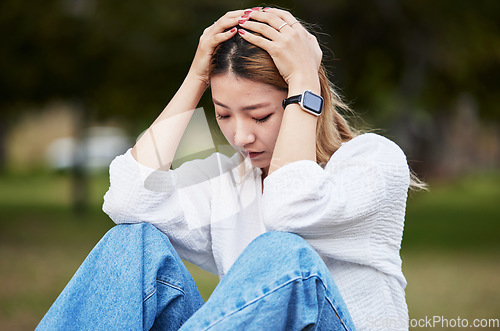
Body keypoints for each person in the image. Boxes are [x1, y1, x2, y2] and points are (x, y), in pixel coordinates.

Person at [37, 7, 419, 330]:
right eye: (223, 114)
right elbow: (127, 201)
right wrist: (195, 78)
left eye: (260, 115)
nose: (240, 136)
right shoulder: (229, 180)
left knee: (283, 252)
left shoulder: (372, 160)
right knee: (132, 242)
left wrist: (303, 77)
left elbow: (288, 209)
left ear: (306, 101)